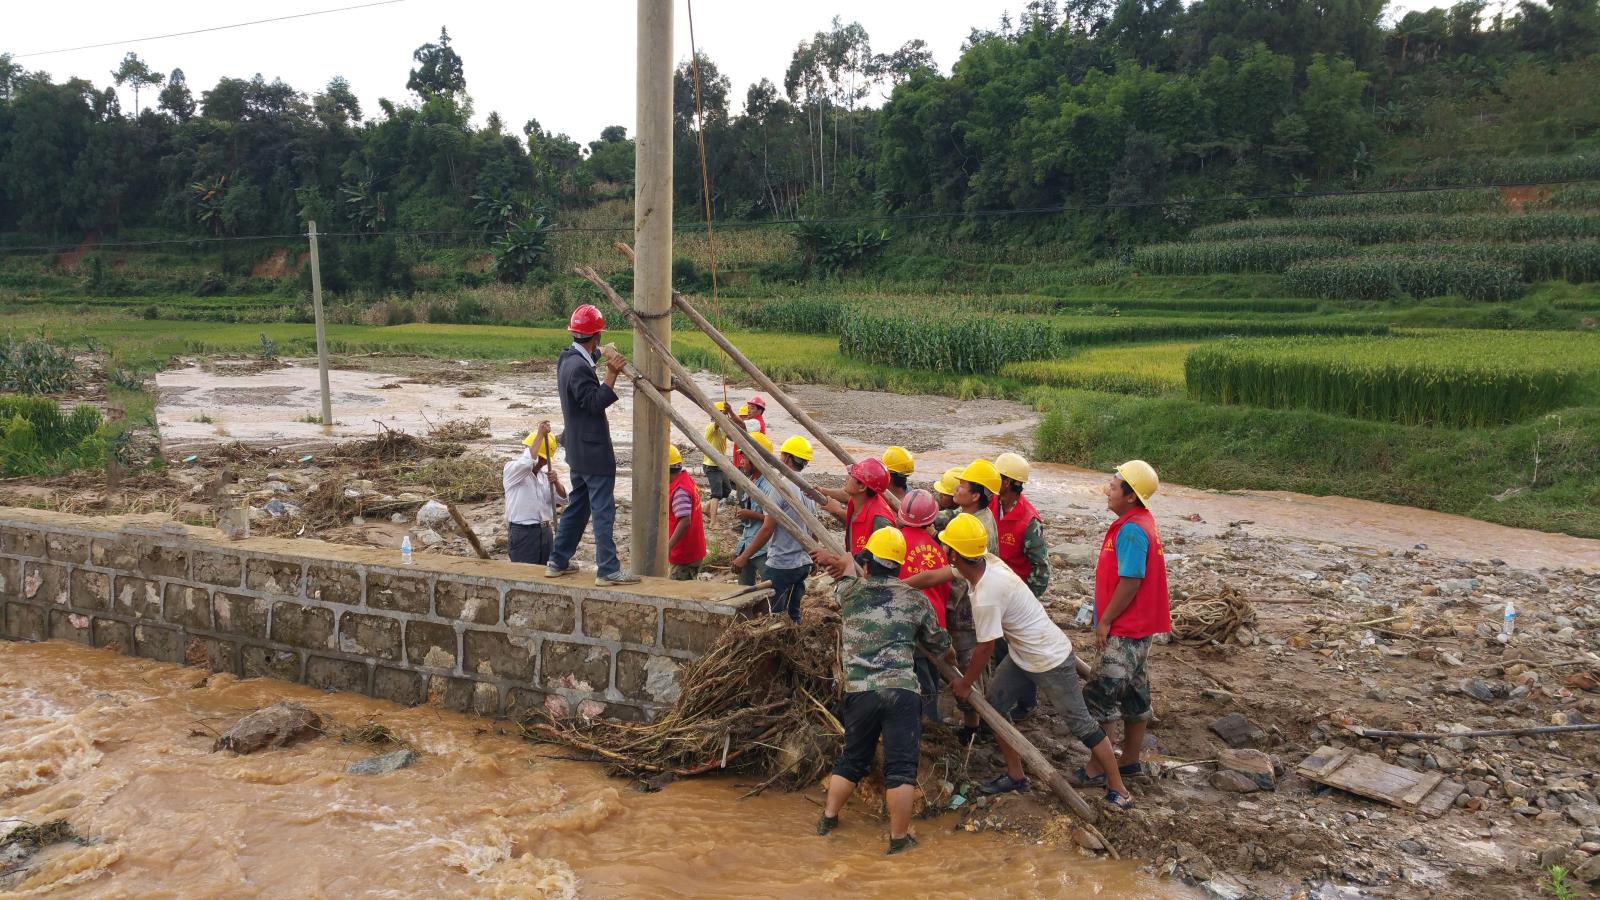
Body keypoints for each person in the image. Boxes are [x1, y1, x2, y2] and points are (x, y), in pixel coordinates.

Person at [938, 513, 1135, 810]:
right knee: (995, 706)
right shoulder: (987, 562)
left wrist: (965, 683)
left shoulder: (986, 595)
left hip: (1050, 660)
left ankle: (1120, 789)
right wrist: (901, 585)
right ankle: (1015, 776)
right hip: (1023, 655)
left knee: (1081, 724)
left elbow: (985, 648)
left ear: (954, 553)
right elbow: (936, 575)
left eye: (946, 547)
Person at [811, 527, 952, 855]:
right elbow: (939, 644)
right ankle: (898, 840)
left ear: (868, 565)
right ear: (899, 568)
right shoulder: (916, 599)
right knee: (901, 767)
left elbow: (846, 574)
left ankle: (828, 820)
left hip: (860, 691)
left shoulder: (849, 593)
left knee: (852, 759)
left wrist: (848, 561)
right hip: (901, 690)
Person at [1075, 460, 1171, 791]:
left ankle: (1096, 768)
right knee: (1135, 695)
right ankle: (1129, 761)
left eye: (1114, 487)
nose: (1108, 490)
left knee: (1101, 696)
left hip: (1126, 630)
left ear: (1131, 496)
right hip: (1140, 628)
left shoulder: (1131, 530)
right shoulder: (1141, 522)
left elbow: (1130, 581)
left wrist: (1105, 621)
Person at [545, 304, 640, 586]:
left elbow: (588, 359)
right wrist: (612, 373)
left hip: (577, 450)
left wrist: (602, 355)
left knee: (578, 506)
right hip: (594, 451)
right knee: (602, 511)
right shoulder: (579, 369)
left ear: (575, 333)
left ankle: (557, 561)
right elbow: (594, 403)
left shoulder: (568, 359)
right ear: (596, 334)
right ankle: (608, 569)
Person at [738, 436, 819, 622]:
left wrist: (744, 557)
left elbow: (767, 529)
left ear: (787, 458)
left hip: (783, 563)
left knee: (774, 616)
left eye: (782, 455)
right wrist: (814, 557)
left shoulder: (781, 487)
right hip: (802, 564)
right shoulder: (807, 489)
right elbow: (814, 528)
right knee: (794, 613)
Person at [898, 489, 951, 722]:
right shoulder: (939, 551)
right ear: (932, 519)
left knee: (918, 676)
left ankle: (926, 721)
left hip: (906, 623)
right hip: (935, 623)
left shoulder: (895, 544)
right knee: (931, 673)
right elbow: (944, 591)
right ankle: (931, 716)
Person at [503, 421, 567, 566]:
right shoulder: (512, 470)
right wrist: (540, 435)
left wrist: (556, 482)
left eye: (545, 460)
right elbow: (526, 463)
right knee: (524, 574)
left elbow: (564, 499)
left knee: (546, 572)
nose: (542, 462)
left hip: (545, 532)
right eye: (541, 458)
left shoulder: (545, 475)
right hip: (523, 533)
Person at [993, 452, 1051, 599]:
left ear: (1006, 482)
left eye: (995, 476)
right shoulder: (989, 501)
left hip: (1012, 592)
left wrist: (1026, 601)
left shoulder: (1029, 522)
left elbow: (1041, 569)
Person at [819, 458, 895, 554]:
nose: (847, 478)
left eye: (852, 476)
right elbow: (857, 522)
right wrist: (822, 492)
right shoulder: (858, 501)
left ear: (862, 487)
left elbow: (883, 562)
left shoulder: (880, 521)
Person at [729, 432, 776, 587]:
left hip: (763, 549)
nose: (742, 462)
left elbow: (774, 522)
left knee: (770, 592)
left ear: (756, 460)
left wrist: (751, 514)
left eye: (745, 458)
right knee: (744, 590)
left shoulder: (769, 487)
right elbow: (749, 527)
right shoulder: (750, 481)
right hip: (748, 543)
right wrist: (740, 548)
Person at [666, 446, 707, 581]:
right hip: (693, 550)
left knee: (676, 592)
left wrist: (668, 546)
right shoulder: (685, 479)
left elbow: (685, 521)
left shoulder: (680, 491)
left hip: (684, 555)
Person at [954, 459, 1001, 554]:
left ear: (975, 496)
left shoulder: (976, 530)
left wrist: (934, 535)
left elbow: (965, 566)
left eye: (961, 486)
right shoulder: (981, 511)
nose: (956, 489)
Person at [701, 401, 734, 527]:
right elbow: (716, 424)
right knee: (716, 494)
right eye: (720, 414)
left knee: (727, 490)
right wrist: (723, 416)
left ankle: (705, 508)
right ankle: (713, 522)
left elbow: (731, 437)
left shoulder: (722, 429)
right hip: (711, 465)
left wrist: (728, 422)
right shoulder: (711, 427)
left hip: (720, 465)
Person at [932, 467, 963, 531]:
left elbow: (929, 517)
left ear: (955, 497)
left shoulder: (956, 514)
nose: (940, 496)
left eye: (944, 494)